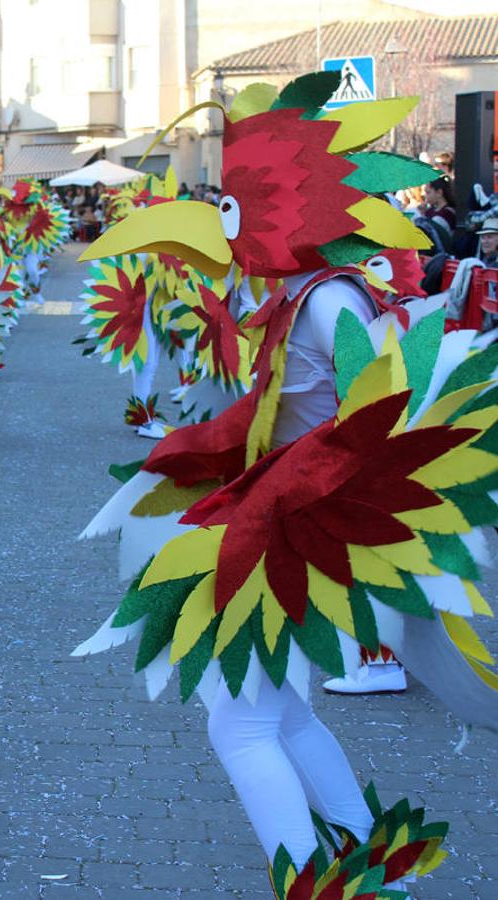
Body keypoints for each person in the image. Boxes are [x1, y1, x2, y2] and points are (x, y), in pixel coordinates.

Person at [75, 72, 479, 894]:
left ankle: (319, 884)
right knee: (280, 711)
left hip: (309, 535)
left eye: (237, 202)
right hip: (292, 526)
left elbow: (380, 420)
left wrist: (276, 499)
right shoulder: (299, 300)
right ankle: (370, 860)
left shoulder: (329, 306)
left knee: (241, 723)